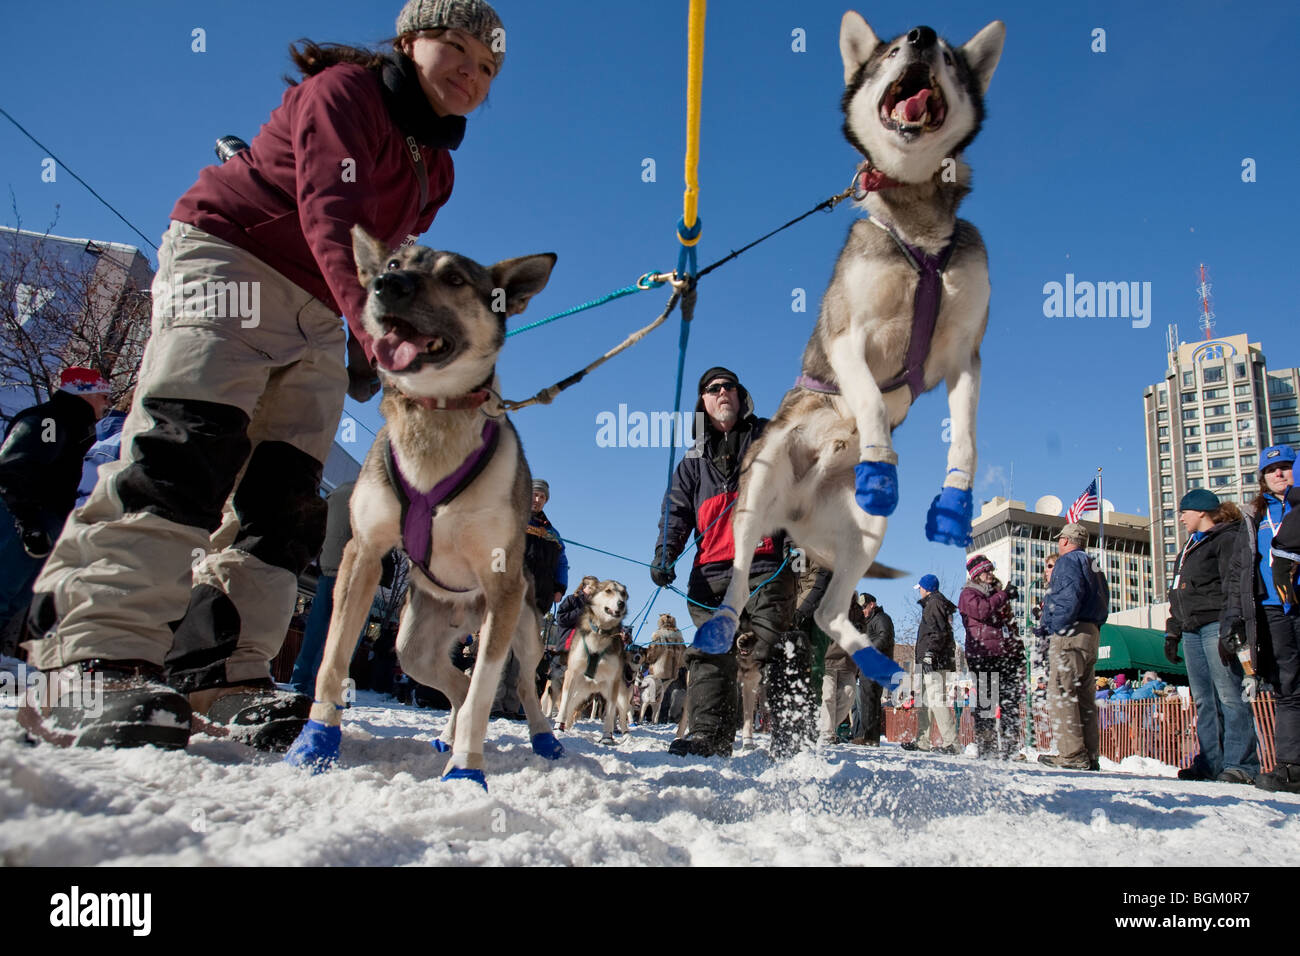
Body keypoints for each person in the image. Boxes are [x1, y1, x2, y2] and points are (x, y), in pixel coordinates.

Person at [19, 0, 507, 751]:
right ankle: (93, 650)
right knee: (187, 446)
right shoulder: (346, 92)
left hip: (317, 300)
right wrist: (374, 333)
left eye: (487, 67)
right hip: (232, 258)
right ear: (411, 41)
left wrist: (401, 341)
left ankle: (222, 665)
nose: (471, 74)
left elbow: (387, 259)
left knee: (283, 491)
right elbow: (330, 212)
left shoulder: (434, 165)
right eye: (457, 49)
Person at [649, 366, 801, 758]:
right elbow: (677, 510)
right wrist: (665, 552)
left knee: (779, 643)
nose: (722, 392)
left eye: (729, 386)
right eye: (713, 388)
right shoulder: (692, 460)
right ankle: (710, 736)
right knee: (709, 653)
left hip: (766, 562)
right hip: (711, 572)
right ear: (703, 401)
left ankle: (793, 739)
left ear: (740, 393)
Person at [0, 367, 112, 636]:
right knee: (4, 589)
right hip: (21, 518)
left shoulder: (77, 428)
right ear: (84, 393)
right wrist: (28, 522)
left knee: (17, 600)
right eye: (103, 395)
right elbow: (15, 467)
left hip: (43, 522)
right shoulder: (50, 420)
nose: (107, 403)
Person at [1163, 489, 1256, 783]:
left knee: (1229, 695)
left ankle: (1241, 764)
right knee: (1204, 699)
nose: (1180, 518)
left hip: (1216, 624)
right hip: (1191, 629)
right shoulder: (1189, 547)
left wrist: (1233, 624)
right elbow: (1178, 594)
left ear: (1201, 511)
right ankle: (1210, 761)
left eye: (1184, 512)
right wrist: (1173, 631)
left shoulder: (1226, 539)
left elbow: (1234, 584)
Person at [1222, 444, 1300, 792]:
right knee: (1288, 686)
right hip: (1271, 608)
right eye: (1272, 470)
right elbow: (1240, 570)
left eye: (1285, 467)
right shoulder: (1254, 516)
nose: (1279, 474)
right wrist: (1235, 617)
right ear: (1263, 479)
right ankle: (1291, 765)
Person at [1035, 522, 1108, 770]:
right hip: (1092, 632)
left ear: (1065, 541)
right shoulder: (1093, 564)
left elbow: (1068, 597)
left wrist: (1054, 627)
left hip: (1071, 632)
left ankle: (1072, 754)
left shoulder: (1067, 562)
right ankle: (1090, 753)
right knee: (1085, 697)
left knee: (1061, 692)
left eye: (1060, 540)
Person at [288, 480, 355, 697]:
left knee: (315, 630)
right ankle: (327, 689)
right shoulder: (375, 494)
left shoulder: (336, 492)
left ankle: (300, 683)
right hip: (355, 573)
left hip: (327, 568)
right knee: (343, 637)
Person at [958, 553, 1024, 759]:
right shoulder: (968, 594)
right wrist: (1003, 595)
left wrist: (1017, 647)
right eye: (986, 571)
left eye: (991, 570)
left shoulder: (996, 594)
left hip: (1005, 654)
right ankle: (987, 746)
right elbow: (982, 610)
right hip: (983, 655)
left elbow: (1008, 624)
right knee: (986, 702)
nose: (990, 574)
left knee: (1010, 700)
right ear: (977, 574)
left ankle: (1011, 745)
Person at [905, 574, 959, 754]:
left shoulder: (934, 603)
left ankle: (952, 742)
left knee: (936, 698)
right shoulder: (933, 604)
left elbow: (937, 632)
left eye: (920, 587)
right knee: (926, 700)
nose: (919, 591)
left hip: (934, 660)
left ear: (926, 588)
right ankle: (922, 740)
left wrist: (929, 654)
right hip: (932, 659)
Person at [851, 593, 894, 745]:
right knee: (868, 700)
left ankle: (868, 736)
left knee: (869, 700)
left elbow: (884, 637)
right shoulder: (868, 621)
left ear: (872, 604)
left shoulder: (881, 618)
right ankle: (870, 736)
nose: (862, 611)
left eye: (864, 607)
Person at [525, 479, 569, 617]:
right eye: (534, 494)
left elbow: (562, 563)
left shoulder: (553, 534)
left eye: (542, 497)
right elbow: (497, 549)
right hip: (511, 593)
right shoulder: (511, 520)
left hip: (540, 600)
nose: (537, 499)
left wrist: (559, 589)